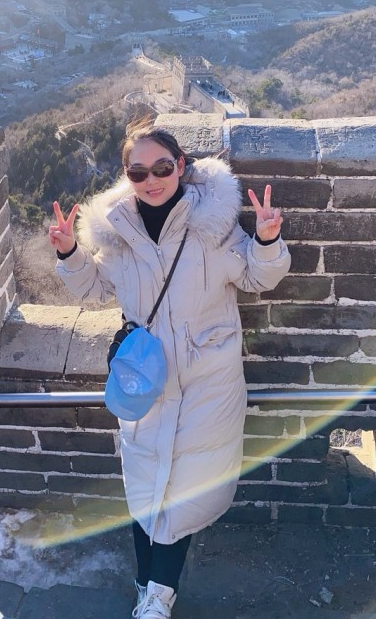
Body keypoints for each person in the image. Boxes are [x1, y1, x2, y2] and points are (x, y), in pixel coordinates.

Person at [49, 119, 291, 618]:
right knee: (147, 490)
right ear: (127, 176)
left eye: (162, 167)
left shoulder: (211, 223)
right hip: (148, 382)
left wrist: (267, 240)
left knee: (181, 495)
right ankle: (147, 585)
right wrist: (70, 252)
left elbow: (255, 277)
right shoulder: (118, 232)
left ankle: (159, 595)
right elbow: (95, 290)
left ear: (181, 166)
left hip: (208, 381)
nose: (151, 180)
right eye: (138, 172)